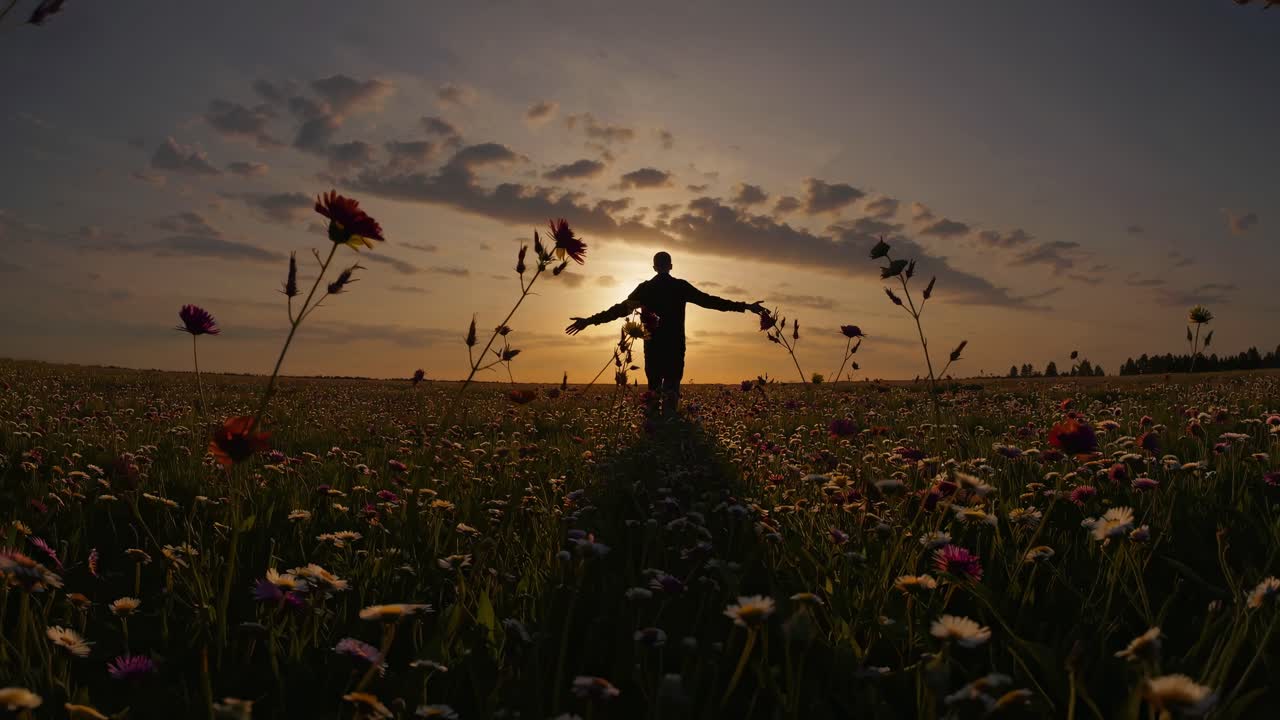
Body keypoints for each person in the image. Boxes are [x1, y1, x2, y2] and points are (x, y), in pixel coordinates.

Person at [566, 251, 765, 413]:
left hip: (653, 347)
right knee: (671, 392)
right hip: (674, 347)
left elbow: (618, 310)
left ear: (654, 267)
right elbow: (711, 301)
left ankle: (653, 434)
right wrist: (745, 306)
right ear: (670, 266)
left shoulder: (646, 289)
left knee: (653, 391)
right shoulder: (679, 287)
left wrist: (589, 321)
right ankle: (669, 432)